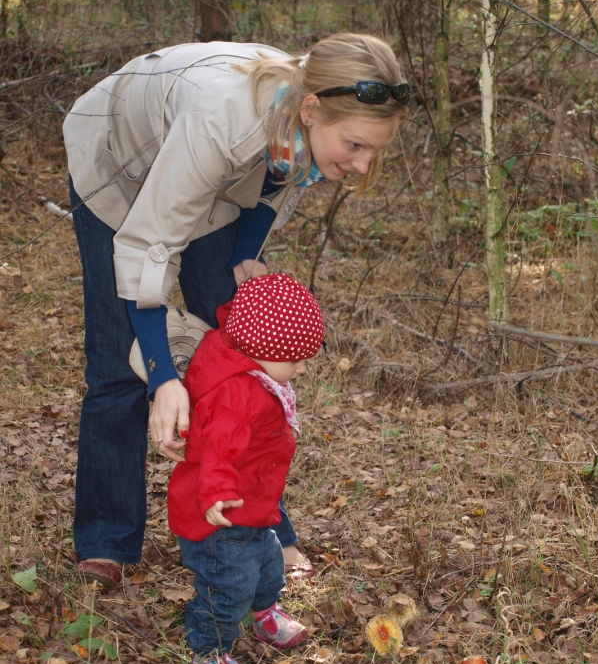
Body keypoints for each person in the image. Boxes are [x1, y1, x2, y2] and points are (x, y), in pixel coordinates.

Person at [62, 33, 409, 589]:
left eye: (375, 150)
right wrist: (162, 375)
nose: (364, 165)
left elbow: (272, 185)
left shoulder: (304, 116)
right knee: (114, 364)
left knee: (239, 339)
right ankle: (106, 540)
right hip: (118, 160)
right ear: (312, 109)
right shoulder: (221, 120)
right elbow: (150, 248)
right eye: (355, 145)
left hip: (207, 177)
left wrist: (246, 254)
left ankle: (257, 524)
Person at [168, 272, 324, 664]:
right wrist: (218, 495)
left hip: (254, 503)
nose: (303, 368)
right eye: (296, 359)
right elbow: (219, 449)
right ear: (262, 349)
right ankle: (208, 652)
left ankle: (265, 614)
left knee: (269, 564)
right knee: (229, 584)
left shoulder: (251, 364)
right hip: (222, 513)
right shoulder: (236, 393)